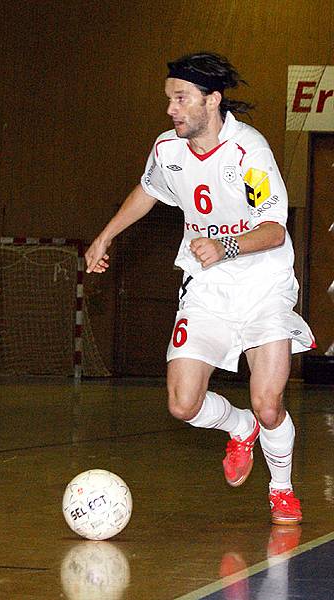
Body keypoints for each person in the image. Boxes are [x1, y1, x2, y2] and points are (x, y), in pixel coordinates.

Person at [85, 52, 314, 525]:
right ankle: (239, 427)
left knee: (269, 403)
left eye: (181, 98)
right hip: (208, 285)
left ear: (211, 101)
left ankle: (282, 488)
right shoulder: (168, 149)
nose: (171, 108)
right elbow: (149, 190)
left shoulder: (248, 151)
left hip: (264, 282)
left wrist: (226, 245)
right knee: (182, 404)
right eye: (169, 98)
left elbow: (274, 229)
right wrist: (106, 236)